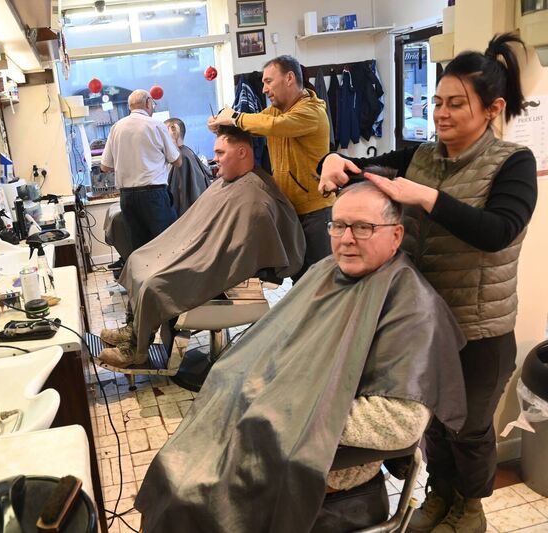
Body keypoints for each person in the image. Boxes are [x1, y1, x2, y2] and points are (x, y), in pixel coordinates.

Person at [133, 182, 467, 532]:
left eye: (363, 227)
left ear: (396, 235)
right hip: (262, 425)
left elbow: (399, 424)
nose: (346, 238)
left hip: (315, 455)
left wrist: (286, 407)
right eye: (338, 225)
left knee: (194, 498)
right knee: (174, 471)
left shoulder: (411, 309)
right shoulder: (326, 272)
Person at [317, 33, 538, 533]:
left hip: (480, 328)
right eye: (437, 101)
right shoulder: (420, 156)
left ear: (491, 108)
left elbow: (499, 232)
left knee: (471, 427)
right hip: (421, 323)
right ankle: (439, 496)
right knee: (432, 421)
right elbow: (359, 172)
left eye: (455, 103)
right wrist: (329, 161)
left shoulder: (513, 163)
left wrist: (427, 198)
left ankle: (470, 508)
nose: (440, 113)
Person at [97, 127, 304, 367]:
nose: (215, 158)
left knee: (154, 283)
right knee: (137, 259)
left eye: (220, 152)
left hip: (216, 270)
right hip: (200, 254)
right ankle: (133, 328)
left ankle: (136, 350)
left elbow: (235, 254)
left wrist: (191, 259)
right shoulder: (228, 184)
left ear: (242, 152)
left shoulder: (256, 200)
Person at [208, 55, 332, 280]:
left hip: (315, 212)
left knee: (318, 281)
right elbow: (256, 124)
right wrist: (224, 126)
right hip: (290, 207)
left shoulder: (312, 112)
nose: (264, 89)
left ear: (289, 78)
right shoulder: (276, 111)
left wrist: (235, 117)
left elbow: (276, 126)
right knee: (299, 275)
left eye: (268, 81)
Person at [101, 89, 182, 256]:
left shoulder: (117, 127)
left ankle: (146, 282)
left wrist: (127, 162)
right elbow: (177, 161)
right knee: (165, 245)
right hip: (154, 195)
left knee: (139, 250)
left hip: (128, 197)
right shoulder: (156, 125)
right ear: (148, 103)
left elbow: (105, 166)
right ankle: (166, 281)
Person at [164, 118, 212, 217]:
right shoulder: (187, 153)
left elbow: (179, 198)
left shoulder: (182, 158)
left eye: (163, 134)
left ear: (174, 133)